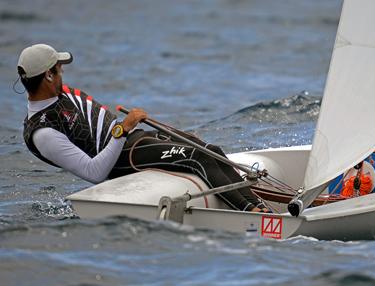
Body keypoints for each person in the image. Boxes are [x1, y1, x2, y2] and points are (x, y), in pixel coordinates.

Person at [18, 43, 268, 212]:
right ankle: (255, 214)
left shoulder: (57, 93)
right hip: (118, 159)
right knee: (196, 157)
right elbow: (94, 172)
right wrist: (122, 130)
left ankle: (259, 206)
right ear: (48, 76)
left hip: (134, 140)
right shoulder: (43, 132)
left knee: (207, 147)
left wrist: (126, 131)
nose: (63, 72)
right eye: (59, 69)